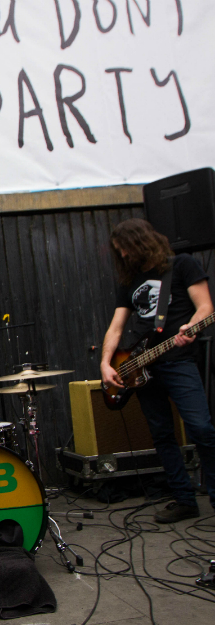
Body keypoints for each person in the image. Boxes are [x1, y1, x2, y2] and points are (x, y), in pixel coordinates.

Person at [100, 218, 215, 523]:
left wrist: (190, 326)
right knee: (162, 435)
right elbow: (117, 326)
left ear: (140, 241)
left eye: (125, 248)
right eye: (118, 251)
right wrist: (105, 363)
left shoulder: (183, 265)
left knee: (201, 428)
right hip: (140, 366)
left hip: (178, 359)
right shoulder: (129, 282)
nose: (123, 256)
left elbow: (206, 308)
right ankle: (184, 499)